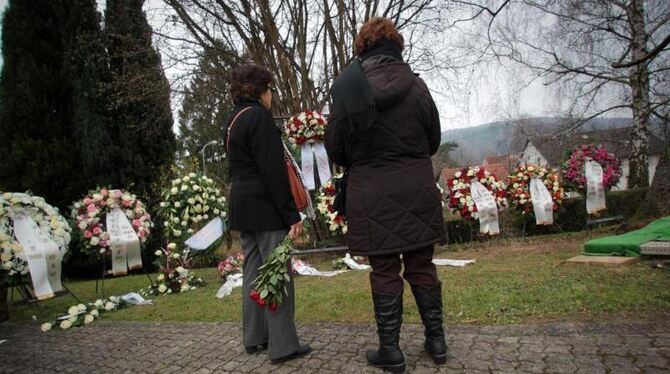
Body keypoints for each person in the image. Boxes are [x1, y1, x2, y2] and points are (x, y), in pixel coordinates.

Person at [325, 17, 447, 373]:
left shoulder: (348, 91)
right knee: (422, 263)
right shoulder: (418, 87)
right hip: (416, 187)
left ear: (362, 49)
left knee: (384, 268)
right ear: (397, 47)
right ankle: (437, 342)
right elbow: (433, 139)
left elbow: (336, 148)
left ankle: (391, 351)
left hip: (371, 192)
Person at [223, 63, 311, 364]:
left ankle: (255, 338)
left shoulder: (233, 119)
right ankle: (283, 345)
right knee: (277, 275)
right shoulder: (259, 118)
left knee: (252, 272)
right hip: (265, 208)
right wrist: (291, 215)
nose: (272, 95)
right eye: (270, 89)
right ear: (260, 90)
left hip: (243, 207)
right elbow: (273, 173)